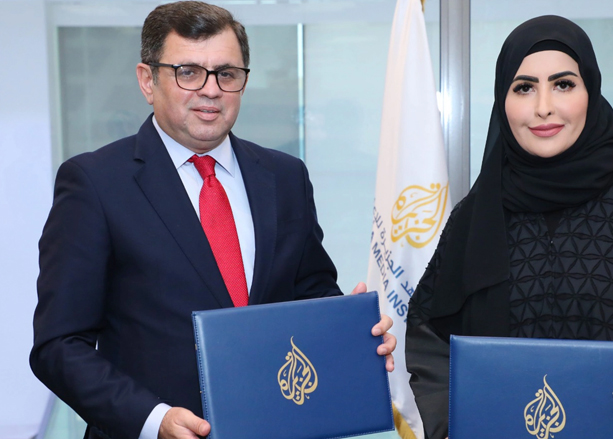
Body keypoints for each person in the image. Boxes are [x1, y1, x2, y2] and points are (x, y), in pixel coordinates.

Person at [30, 2, 395, 439]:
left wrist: (353, 333)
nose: (210, 89)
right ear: (148, 80)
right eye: (188, 72)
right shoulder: (94, 182)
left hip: (277, 425)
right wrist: (153, 419)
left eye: (227, 73)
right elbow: (58, 346)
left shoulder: (284, 176)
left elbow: (309, 292)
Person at [406, 15, 613, 439]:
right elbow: (430, 336)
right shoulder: (474, 218)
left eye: (563, 84)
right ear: (502, 102)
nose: (543, 106)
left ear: (592, 93)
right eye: (524, 87)